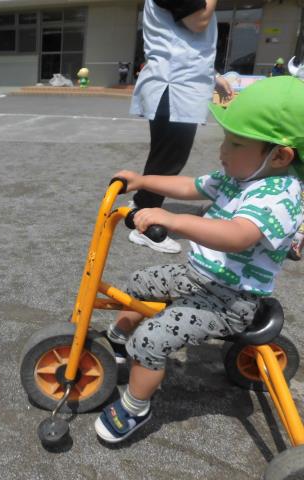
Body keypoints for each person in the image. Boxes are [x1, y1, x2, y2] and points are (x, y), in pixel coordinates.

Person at [95, 75, 304, 443]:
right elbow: (190, 185)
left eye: (236, 143)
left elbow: (238, 236)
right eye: (225, 138)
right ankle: (116, 342)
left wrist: (174, 221)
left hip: (230, 300)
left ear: (280, 156)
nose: (223, 149)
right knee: (139, 282)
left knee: (151, 340)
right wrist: (142, 181)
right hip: (199, 276)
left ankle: (135, 407)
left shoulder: (279, 195)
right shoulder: (237, 176)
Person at [129, 0, 233, 254]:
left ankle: (141, 204)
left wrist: (213, 76)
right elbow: (199, 21)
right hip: (174, 86)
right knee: (168, 159)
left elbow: (185, 43)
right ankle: (144, 224)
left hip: (179, 83)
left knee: (167, 156)